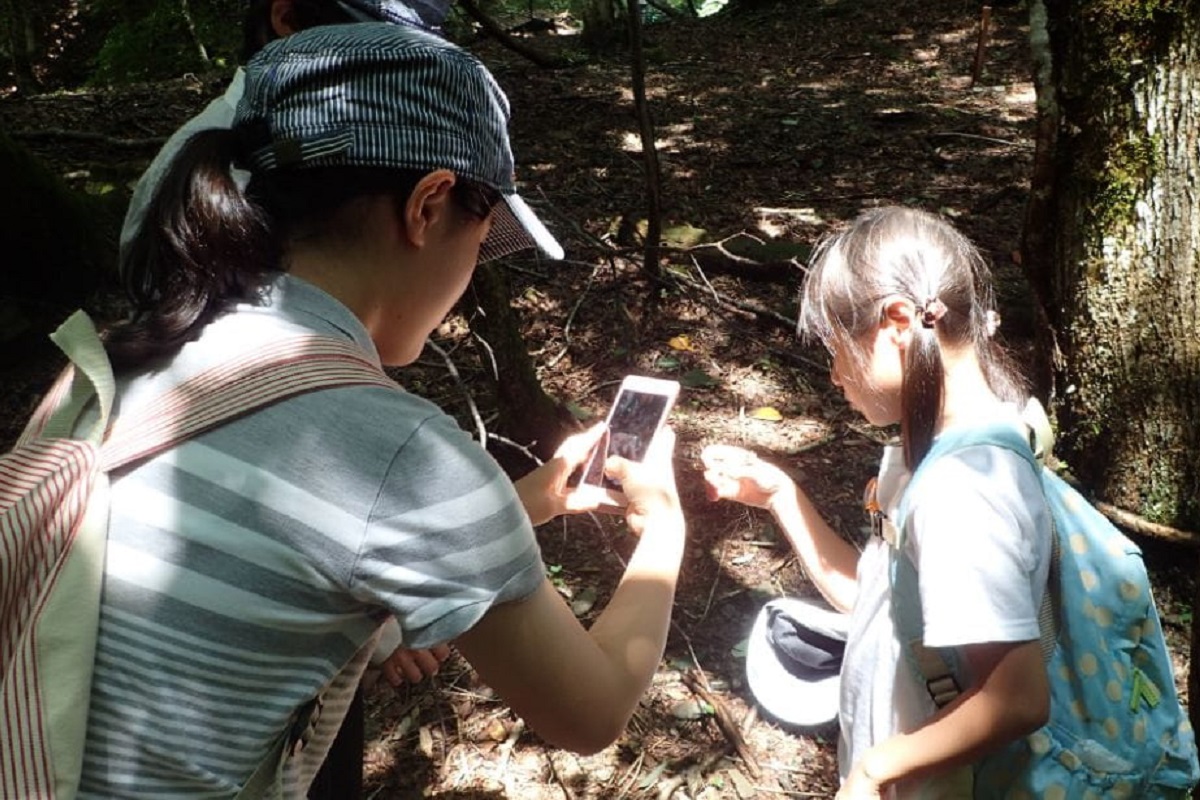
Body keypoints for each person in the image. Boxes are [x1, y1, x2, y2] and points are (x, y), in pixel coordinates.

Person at [82, 21, 685, 799]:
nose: (474, 267)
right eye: (483, 235)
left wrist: (529, 500)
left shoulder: (141, 351)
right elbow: (591, 712)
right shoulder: (399, 451)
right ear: (429, 206)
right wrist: (666, 525)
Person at [701, 207, 1052, 799]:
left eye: (837, 346)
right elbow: (887, 604)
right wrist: (781, 497)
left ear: (894, 321)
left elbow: (1015, 697)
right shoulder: (957, 447)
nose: (835, 373)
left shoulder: (961, 490)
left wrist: (876, 768)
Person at [118, 0, 451, 278]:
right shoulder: (223, 167)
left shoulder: (324, 149)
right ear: (287, 18)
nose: (393, 73)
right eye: (372, 46)